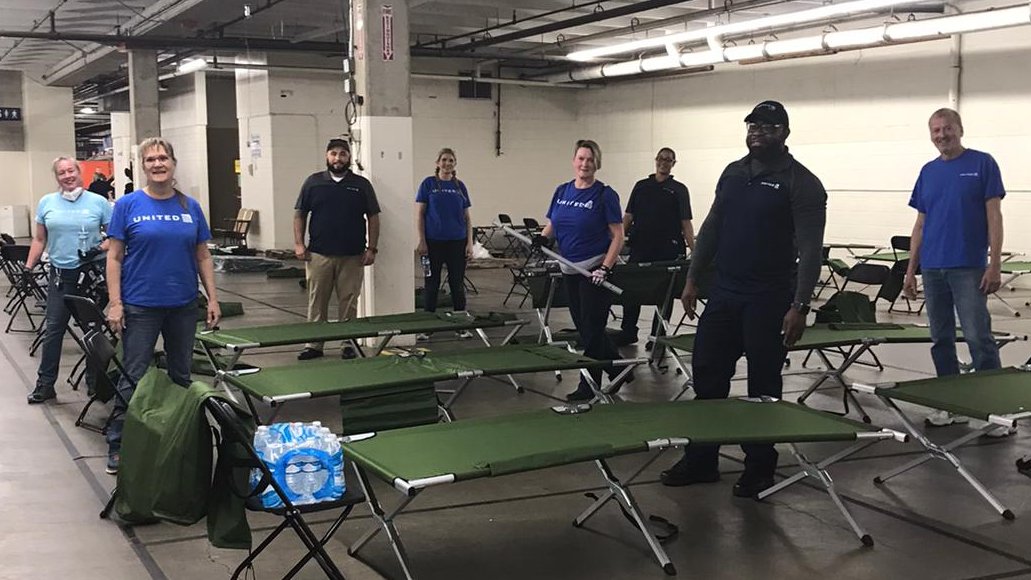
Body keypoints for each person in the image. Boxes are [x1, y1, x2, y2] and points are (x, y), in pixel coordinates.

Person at [660, 101, 827, 498]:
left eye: (767, 127)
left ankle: (759, 466)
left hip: (769, 298)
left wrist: (800, 306)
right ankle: (701, 459)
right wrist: (692, 277)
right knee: (708, 377)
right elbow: (713, 227)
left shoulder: (801, 183)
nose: (756, 132)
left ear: (784, 133)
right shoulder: (734, 173)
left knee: (763, 385)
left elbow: (811, 249)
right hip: (725, 293)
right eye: (752, 125)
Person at [105, 137, 221, 475]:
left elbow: (203, 255)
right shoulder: (128, 205)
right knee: (133, 375)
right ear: (142, 166)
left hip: (183, 305)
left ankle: (176, 439)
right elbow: (114, 257)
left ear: (173, 163)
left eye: (163, 158)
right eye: (150, 159)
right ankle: (119, 443)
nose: (158, 164)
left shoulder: (190, 207)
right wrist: (116, 303)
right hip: (141, 305)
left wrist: (212, 298)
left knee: (181, 376)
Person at [903, 108, 1009, 435]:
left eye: (947, 128)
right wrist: (910, 271)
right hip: (933, 269)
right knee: (941, 340)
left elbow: (995, 217)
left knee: (979, 338)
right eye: (935, 130)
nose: (941, 135)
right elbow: (920, 224)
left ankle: (993, 410)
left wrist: (994, 265)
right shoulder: (928, 171)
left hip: (969, 268)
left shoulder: (982, 164)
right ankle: (949, 405)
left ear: (959, 129)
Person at [534, 139, 625, 402]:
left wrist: (605, 268)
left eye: (590, 159)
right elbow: (553, 222)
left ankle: (589, 385)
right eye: (581, 158)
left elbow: (618, 236)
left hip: (595, 269)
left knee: (592, 330)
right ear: (574, 160)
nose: (585, 163)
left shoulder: (605, 194)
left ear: (597, 163)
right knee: (584, 328)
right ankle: (618, 367)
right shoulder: (562, 190)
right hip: (570, 268)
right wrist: (543, 238)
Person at [25, 157, 112, 404]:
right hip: (61, 275)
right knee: (53, 330)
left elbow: (115, 236)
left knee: (93, 331)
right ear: (57, 177)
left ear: (79, 171)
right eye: (62, 172)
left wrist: (98, 248)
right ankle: (45, 385)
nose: (67, 175)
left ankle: (95, 384)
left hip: (90, 276)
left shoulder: (99, 202)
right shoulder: (47, 203)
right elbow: (40, 239)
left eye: (71, 170)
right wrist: (28, 267)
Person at [294, 138, 381, 360]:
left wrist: (372, 248)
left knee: (349, 301)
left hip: (353, 255)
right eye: (333, 153)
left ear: (349, 157)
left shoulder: (361, 185)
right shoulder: (313, 183)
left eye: (343, 154)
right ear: (326, 156)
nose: (338, 158)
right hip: (319, 254)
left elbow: (373, 216)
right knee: (317, 301)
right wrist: (298, 243)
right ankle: (314, 345)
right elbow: (300, 213)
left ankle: (347, 343)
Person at [617, 147, 694, 347]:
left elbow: (686, 223)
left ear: (673, 163)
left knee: (664, 293)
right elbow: (628, 216)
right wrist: (617, 242)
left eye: (668, 160)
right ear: (656, 160)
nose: (664, 163)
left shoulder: (679, 189)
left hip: (668, 249)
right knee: (633, 289)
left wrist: (695, 251)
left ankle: (657, 336)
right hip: (641, 246)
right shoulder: (641, 186)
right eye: (661, 159)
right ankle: (628, 330)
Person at [415, 147, 474, 340]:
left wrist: (469, 243)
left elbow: (467, 218)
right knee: (431, 283)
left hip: (456, 242)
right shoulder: (429, 184)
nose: (447, 163)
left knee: (457, 283)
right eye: (444, 160)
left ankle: (460, 324)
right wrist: (422, 241)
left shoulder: (460, 186)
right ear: (437, 162)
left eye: (451, 160)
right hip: (432, 243)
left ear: (455, 164)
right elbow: (420, 214)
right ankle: (427, 326)